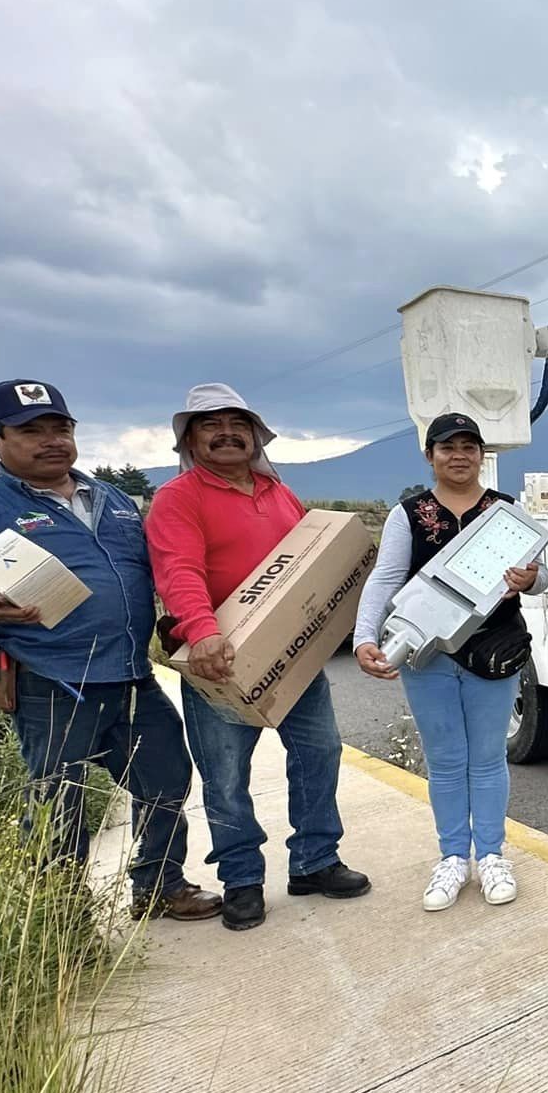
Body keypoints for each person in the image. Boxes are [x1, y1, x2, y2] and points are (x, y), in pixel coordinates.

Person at [0, 380, 219, 921]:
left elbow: (156, 574)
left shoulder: (115, 501)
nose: (52, 440)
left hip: (131, 678)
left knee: (167, 777)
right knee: (59, 802)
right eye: (32, 430)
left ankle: (158, 886)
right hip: (51, 684)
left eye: (62, 428)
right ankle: (60, 919)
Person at [144, 384, 370, 931]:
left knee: (319, 754)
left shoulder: (278, 492)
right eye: (209, 425)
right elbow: (179, 570)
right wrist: (202, 632)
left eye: (236, 423)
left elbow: (312, 571)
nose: (226, 433)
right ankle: (242, 879)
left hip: (294, 663)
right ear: (190, 440)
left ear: (255, 434)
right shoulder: (179, 498)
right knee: (225, 776)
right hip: (216, 662)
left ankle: (315, 861)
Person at [353, 413, 548, 912]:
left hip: (492, 650)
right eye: (447, 447)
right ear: (430, 455)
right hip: (426, 653)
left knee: (487, 758)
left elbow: (542, 575)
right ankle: (452, 857)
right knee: (445, 761)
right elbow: (385, 577)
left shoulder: (505, 511)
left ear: (482, 455)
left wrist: (532, 580)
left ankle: (491, 854)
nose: (458, 455)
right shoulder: (409, 514)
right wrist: (364, 638)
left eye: (469, 446)